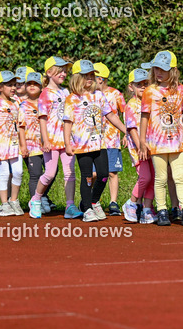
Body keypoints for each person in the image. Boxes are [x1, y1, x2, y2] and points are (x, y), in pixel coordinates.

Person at [63, 60, 130, 222]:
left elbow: (111, 115)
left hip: (100, 144)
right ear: (77, 77)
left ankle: (93, 201)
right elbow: (67, 123)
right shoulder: (72, 99)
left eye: (91, 75)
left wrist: (126, 130)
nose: (90, 78)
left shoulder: (98, 95)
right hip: (82, 146)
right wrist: (67, 144)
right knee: (87, 177)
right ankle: (87, 209)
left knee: (103, 175)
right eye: (85, 75)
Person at [139, 51, 183, 225]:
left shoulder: (181, 90)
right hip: (157, 142)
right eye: (156, 69)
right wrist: (142, 141)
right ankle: (162, 210)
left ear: (173, 70)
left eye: (163, 69)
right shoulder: (150, 91)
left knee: (179, 176)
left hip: (177, 141)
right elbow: (144, 117)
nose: (159, 72)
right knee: (161, 178)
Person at [33, 56, 76, 217]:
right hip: (51, 140)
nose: (63, 74)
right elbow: (42, 118)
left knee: (70, 173)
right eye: (60, 71)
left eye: (65, 71)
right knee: (50, 173)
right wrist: (45, 140)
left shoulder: (66, 92)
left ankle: (70, 206)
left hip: (66, 140)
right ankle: (36, 199)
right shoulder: (45, 93)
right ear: (49, 72)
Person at [0, 71, 26, 217]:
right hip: (1, 145)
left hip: (15, 145)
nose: (13, 88)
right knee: (4, 173)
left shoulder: (16, 103)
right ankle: (4, 205)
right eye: (9, 85)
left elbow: (20, 125)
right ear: (0, 87)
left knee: (18, 172)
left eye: (14, 85)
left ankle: (13, 201)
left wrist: (23, 145)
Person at [94, 63, 126, 216]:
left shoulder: (115, 94)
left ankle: (113, 202)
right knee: (94, 173)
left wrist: (127, 133)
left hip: (112, 139)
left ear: (100, 79)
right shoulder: (89, 95)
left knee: (112, 172)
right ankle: (91, 200)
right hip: (94, 140)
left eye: (92, 77)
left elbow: (125, 112)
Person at [122, 68, 153, 223]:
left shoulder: (150, 102)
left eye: (145, 84)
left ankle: (147, 209)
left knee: (153, 178)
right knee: (145, 177)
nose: (142, 87)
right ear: (131, 87)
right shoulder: (131, 105)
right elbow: (132, 129)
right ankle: (132, 202)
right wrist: (140, 146)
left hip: (152, 146)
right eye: (138, 84)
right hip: (138, 148)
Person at [18, 71, 45, 217]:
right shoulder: (23, 106)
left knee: (52, 172)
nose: (32, 86)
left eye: (36, 84)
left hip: (46, 144)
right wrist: (23, 146)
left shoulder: (45, 103)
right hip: (31, 145)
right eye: (29, 84)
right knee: (35, 174)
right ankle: (35, 204)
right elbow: (21, 127)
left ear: (41, 87)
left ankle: (41, 197)